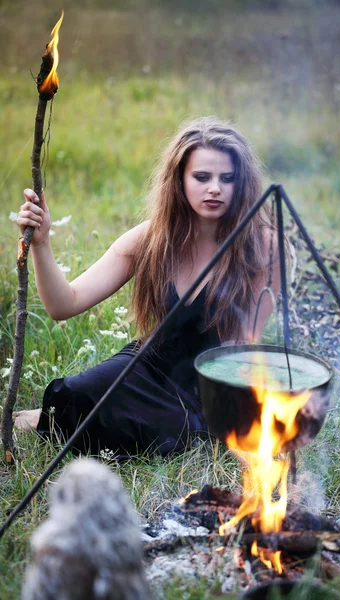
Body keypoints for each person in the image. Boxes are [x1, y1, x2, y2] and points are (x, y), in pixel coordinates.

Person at [13, 117, 280, 458]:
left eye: (227, 179)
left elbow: (244, 346)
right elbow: (64, 304)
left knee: (170, 436)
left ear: (241, 184)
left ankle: (53, 423)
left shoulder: (264, 247)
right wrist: (42, 243)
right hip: (148, 367)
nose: (215, 188)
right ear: (179, 180)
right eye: (202, 177)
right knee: (76, 395)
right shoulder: (151, 239)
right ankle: (48, 419)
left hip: (209, 386)